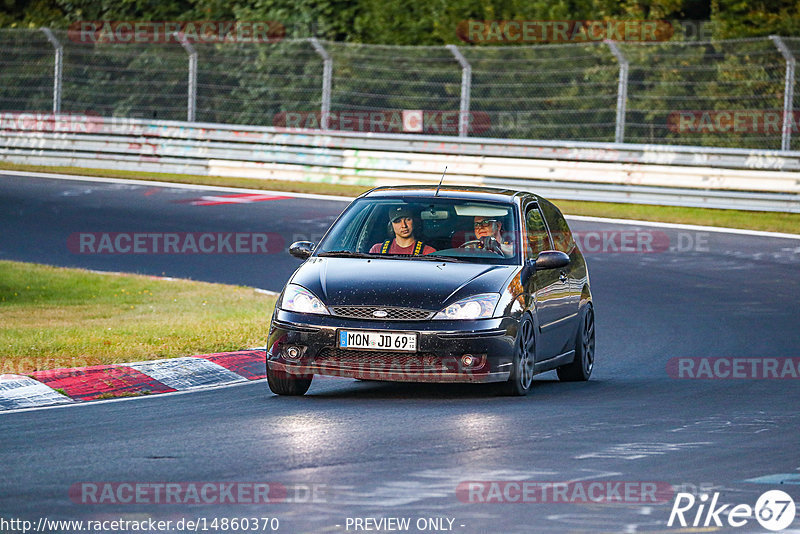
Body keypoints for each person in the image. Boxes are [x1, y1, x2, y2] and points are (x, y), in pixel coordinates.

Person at [370, 206, 436, 255]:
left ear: (414, 222)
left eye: (408, 219)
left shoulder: (428, 252)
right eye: (398, 221)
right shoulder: (377, 250)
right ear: (391, 225)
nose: (404, 225)